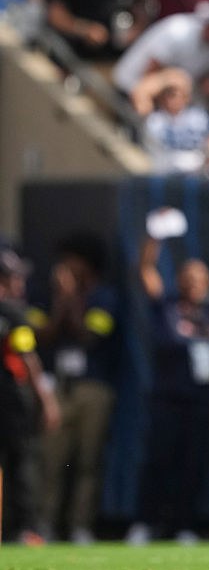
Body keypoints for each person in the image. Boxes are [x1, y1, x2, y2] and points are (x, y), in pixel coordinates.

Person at [126, 210, 209, 545]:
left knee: (192, 464)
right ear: (180, 281)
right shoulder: (167, 306)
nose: (194, 284)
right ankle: (145, 522)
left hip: (200, 401)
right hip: (168, 398)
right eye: (188, 278)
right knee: (158, 460)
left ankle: (185, 525)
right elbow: (145, 269)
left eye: (200, 279)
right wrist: (155, 235)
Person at [35, 233, 118, 545]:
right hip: (58, 387)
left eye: (70, 261)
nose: (64, 267)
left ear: (87, 264)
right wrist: (61, 301)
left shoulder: (105, 297)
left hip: (93, 387)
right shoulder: (47, 295)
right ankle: (44, 524)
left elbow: (89, 336)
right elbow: (41, 335)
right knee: (51, 459)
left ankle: (80, 526)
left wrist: (70, 299)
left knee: (88, 460)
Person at [0, 243, 60, 545]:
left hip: (10, 399)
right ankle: (25, 528)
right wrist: (47, 400)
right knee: (22, 460)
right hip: (12, 399)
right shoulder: (14, 312)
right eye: (15, 277)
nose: (20, 283)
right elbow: (28, 357)